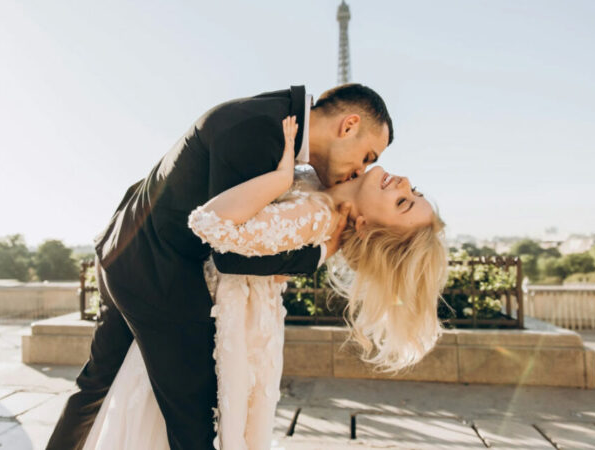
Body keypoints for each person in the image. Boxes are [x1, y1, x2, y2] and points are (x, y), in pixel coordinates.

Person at [48, 84, 395, 449]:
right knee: (194, 415)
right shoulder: (264, 132)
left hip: (123, 248)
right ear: (349, 125)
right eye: (367, 156)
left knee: (95, 384)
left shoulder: (271, 117)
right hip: (156, 272)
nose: (361, 170)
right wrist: (321, 253)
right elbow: (232, 253)